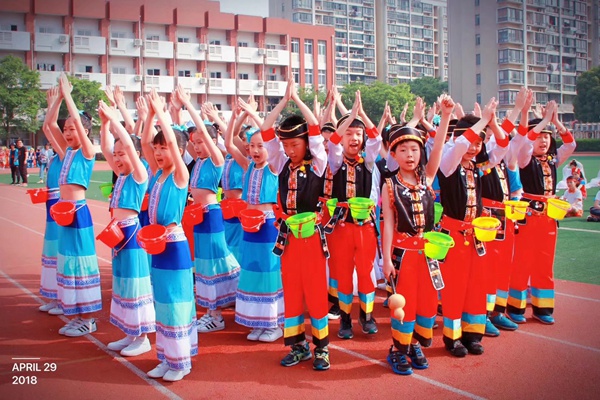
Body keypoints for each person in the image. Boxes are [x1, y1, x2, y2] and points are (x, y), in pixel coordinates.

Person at [380, 94, 453, 375]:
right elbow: (388, 224)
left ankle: (413, 345)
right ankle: (397, 350)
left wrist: (445, 117)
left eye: (414, 149)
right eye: (403, 150)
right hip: (404, 255)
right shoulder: (390, 185)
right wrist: (387, 260)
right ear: (394, 154)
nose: (410, 155)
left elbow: (439, 149)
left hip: (429, 255)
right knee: (403, 305)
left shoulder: (427, 179)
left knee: (427, 304)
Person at [261, 77, 330, 371]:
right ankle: (298, 346)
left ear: (306, 144)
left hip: (312, 237)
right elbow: (266, 130)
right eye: (286, 145)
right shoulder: (280, 165)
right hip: (288, 237)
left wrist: (298, 100)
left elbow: (314, 128)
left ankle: (322, 349)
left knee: (315, 291)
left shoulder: (318, 164)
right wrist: (282, 102)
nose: (290, 150)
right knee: (292, 291)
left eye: (295, 144)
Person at [437, 97, 509, 357]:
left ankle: (473, 335)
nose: (474, 147)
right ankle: (453, 338)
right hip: (454, 235)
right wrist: (481, 122)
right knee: (455, 287)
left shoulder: (479, 167)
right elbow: (460, 145)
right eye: (472, 142)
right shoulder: (448, 164)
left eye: (479, 143)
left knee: (476, 286)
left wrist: (492, 123)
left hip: (477, 235)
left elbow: (502, 145)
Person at [174, 85, 240, 334]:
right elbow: (184, 137)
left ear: (213, 142)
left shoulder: (216, 160)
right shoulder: (199, 160)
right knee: (203, 263)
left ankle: (217, 314)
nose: (198, 146)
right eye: (196, 143)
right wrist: (174, 111)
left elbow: (201, 130)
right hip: (198, 215)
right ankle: (214, 309)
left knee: (214, 260)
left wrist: (189, 105)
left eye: (202, 142)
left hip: (211, 214)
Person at [141, 89, 196, 382]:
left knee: (176, 303)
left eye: (165, 148)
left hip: (174, 247)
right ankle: (165, 357)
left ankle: (181, 362)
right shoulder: (157, 174)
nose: (160, 153)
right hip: (157, 245)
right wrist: (150, 114)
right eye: (157, 148)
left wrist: (162, 113)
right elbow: (143, 143)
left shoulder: (179, 176)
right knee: (161, 302)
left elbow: (173, 143)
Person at [508, 101, 576, 325]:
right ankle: (515, 307)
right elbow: (526, 143)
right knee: (522, 263)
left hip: (549, 218)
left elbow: (570, 144)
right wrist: (543, 121)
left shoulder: (553, 160)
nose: (543, 141)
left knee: (545, 264)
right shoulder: (525, 159)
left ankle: (542, 308)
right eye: (539, 136)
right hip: (528, 218)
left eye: (547, 137)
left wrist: (555, 121)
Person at [98, 100, 156, 357]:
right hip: (117, 235)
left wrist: (115, 119)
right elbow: (104, 148)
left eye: (123, 154)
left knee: (135, 284)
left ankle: (142, 337)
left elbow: (131, 147)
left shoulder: (139, 175)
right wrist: (104, 125)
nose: (118, 158)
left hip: (131, 235)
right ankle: (130, 332)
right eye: (116, 154)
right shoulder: (120, 175)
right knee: (121, 283)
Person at [324, 90, 381, 340]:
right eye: (349, 133)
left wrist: (362, 115)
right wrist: (349, 116)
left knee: (366, 272)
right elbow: (333, 143)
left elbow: (377, 139)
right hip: (341, 227)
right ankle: (345, 319)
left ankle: (367, 316)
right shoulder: (335, 162)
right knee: (343, 273)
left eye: (358, 134)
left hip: (365, 226)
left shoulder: (367, 162)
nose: (354, 138)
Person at [229, 99, 284, 342]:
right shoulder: (248, 165)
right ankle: (258, 322)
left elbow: (271, 140)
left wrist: (253, 112)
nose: (255, 150)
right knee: (251, 271)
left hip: (268, 226)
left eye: (260, 146)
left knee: (268, 272)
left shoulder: (273, 167)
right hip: (249, 226)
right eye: (252, 146)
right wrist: (238, 116)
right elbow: (230, 141)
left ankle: (274, 324)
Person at [52, 73, 102, 336]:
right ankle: (76, 314)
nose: (67, 133)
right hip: (63, 212)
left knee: (81, 263)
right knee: (68, 262)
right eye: (66, 129)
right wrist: (58, 99)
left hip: (78, 213)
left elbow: (80, 130)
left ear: (84, 131)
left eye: (73, 129)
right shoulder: (67, 152)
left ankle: (89, 318)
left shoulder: (87, 151)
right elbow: (49, 125)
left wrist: (69, 97)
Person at [38, 87, 65, 315]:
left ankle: (61, 298)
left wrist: (54, 105)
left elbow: (49, 127)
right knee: (50, 251)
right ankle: (53, 294)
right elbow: (48, 128)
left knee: (58, 251)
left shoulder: (66, 155)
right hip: (51, 207)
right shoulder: (56, 157)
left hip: (60, 208)